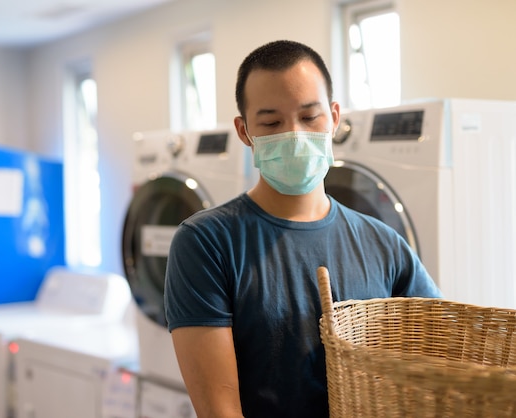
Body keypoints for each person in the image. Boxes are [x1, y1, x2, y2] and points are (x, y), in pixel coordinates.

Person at [164, 40, 442, 418]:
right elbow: (220, 409)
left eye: (310, 117)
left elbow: (443, 356)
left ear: (334, 116)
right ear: (245, 131)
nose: (294, 135)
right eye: (272, 123)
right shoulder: (207, 242)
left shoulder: (385, 245)